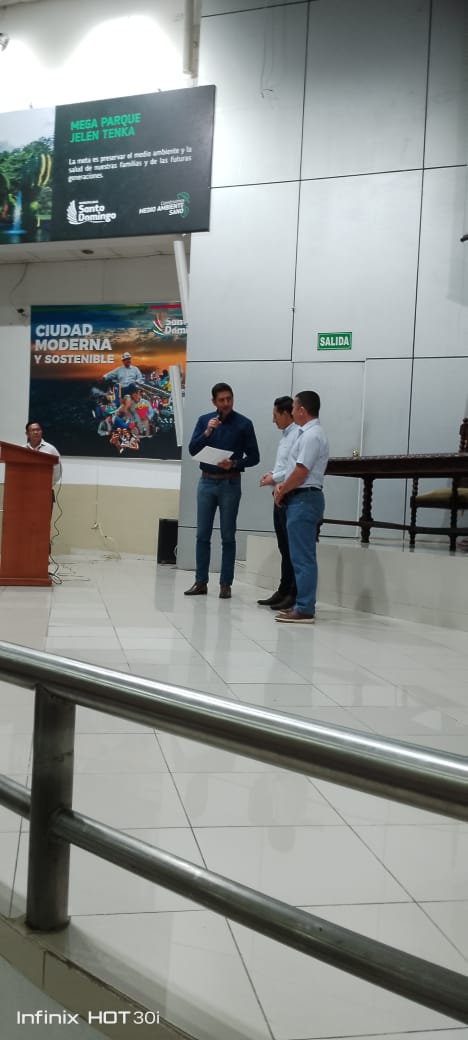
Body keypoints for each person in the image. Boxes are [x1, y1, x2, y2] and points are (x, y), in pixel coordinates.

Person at [185, 382, 260, 599]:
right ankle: (200, 582)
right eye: (222, 400)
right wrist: (207, 432)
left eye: (229, 399)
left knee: (228, 535)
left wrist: (234, 463)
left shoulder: (244, 424)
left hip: (230, 483)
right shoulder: (204, 421)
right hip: (206, 482)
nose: (226, 403)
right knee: (202, 534)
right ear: (214, 402)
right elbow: (192, 449)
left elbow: (254, 457)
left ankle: (226, 584)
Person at [273, 391, 329, 624]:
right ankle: (300, 604)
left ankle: (305, 608)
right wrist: (283, 486)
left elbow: (301, 471)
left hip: (304, 499)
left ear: (302, 411)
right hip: (300, 498)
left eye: (294, 407)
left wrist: (282, 489)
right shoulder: (306, 433)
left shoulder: (312, 435)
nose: (293, 411)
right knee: (299, 555)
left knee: (303, 557)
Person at [258, 396, 299, 610]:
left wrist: (274, 477)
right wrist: (272, 475)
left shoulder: (297, 435)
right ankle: (283, 590)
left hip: (290, 495)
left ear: (285, 414)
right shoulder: (285, 436)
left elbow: (294, 468)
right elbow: (283, 466)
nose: (273, 420)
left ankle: (293, 593)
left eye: (275, 415)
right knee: (284, 547)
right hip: (279, 494)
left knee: (292, 548)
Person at [25, 421, 62, 487]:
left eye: (38, 430)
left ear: (41, 432)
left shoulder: (51, 449)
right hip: (25, 487)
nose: (36, 432)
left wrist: (48, 484)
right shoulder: (22, 450)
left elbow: (57, 470)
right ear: (27, 434)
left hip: (45, 488)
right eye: (33, 430)